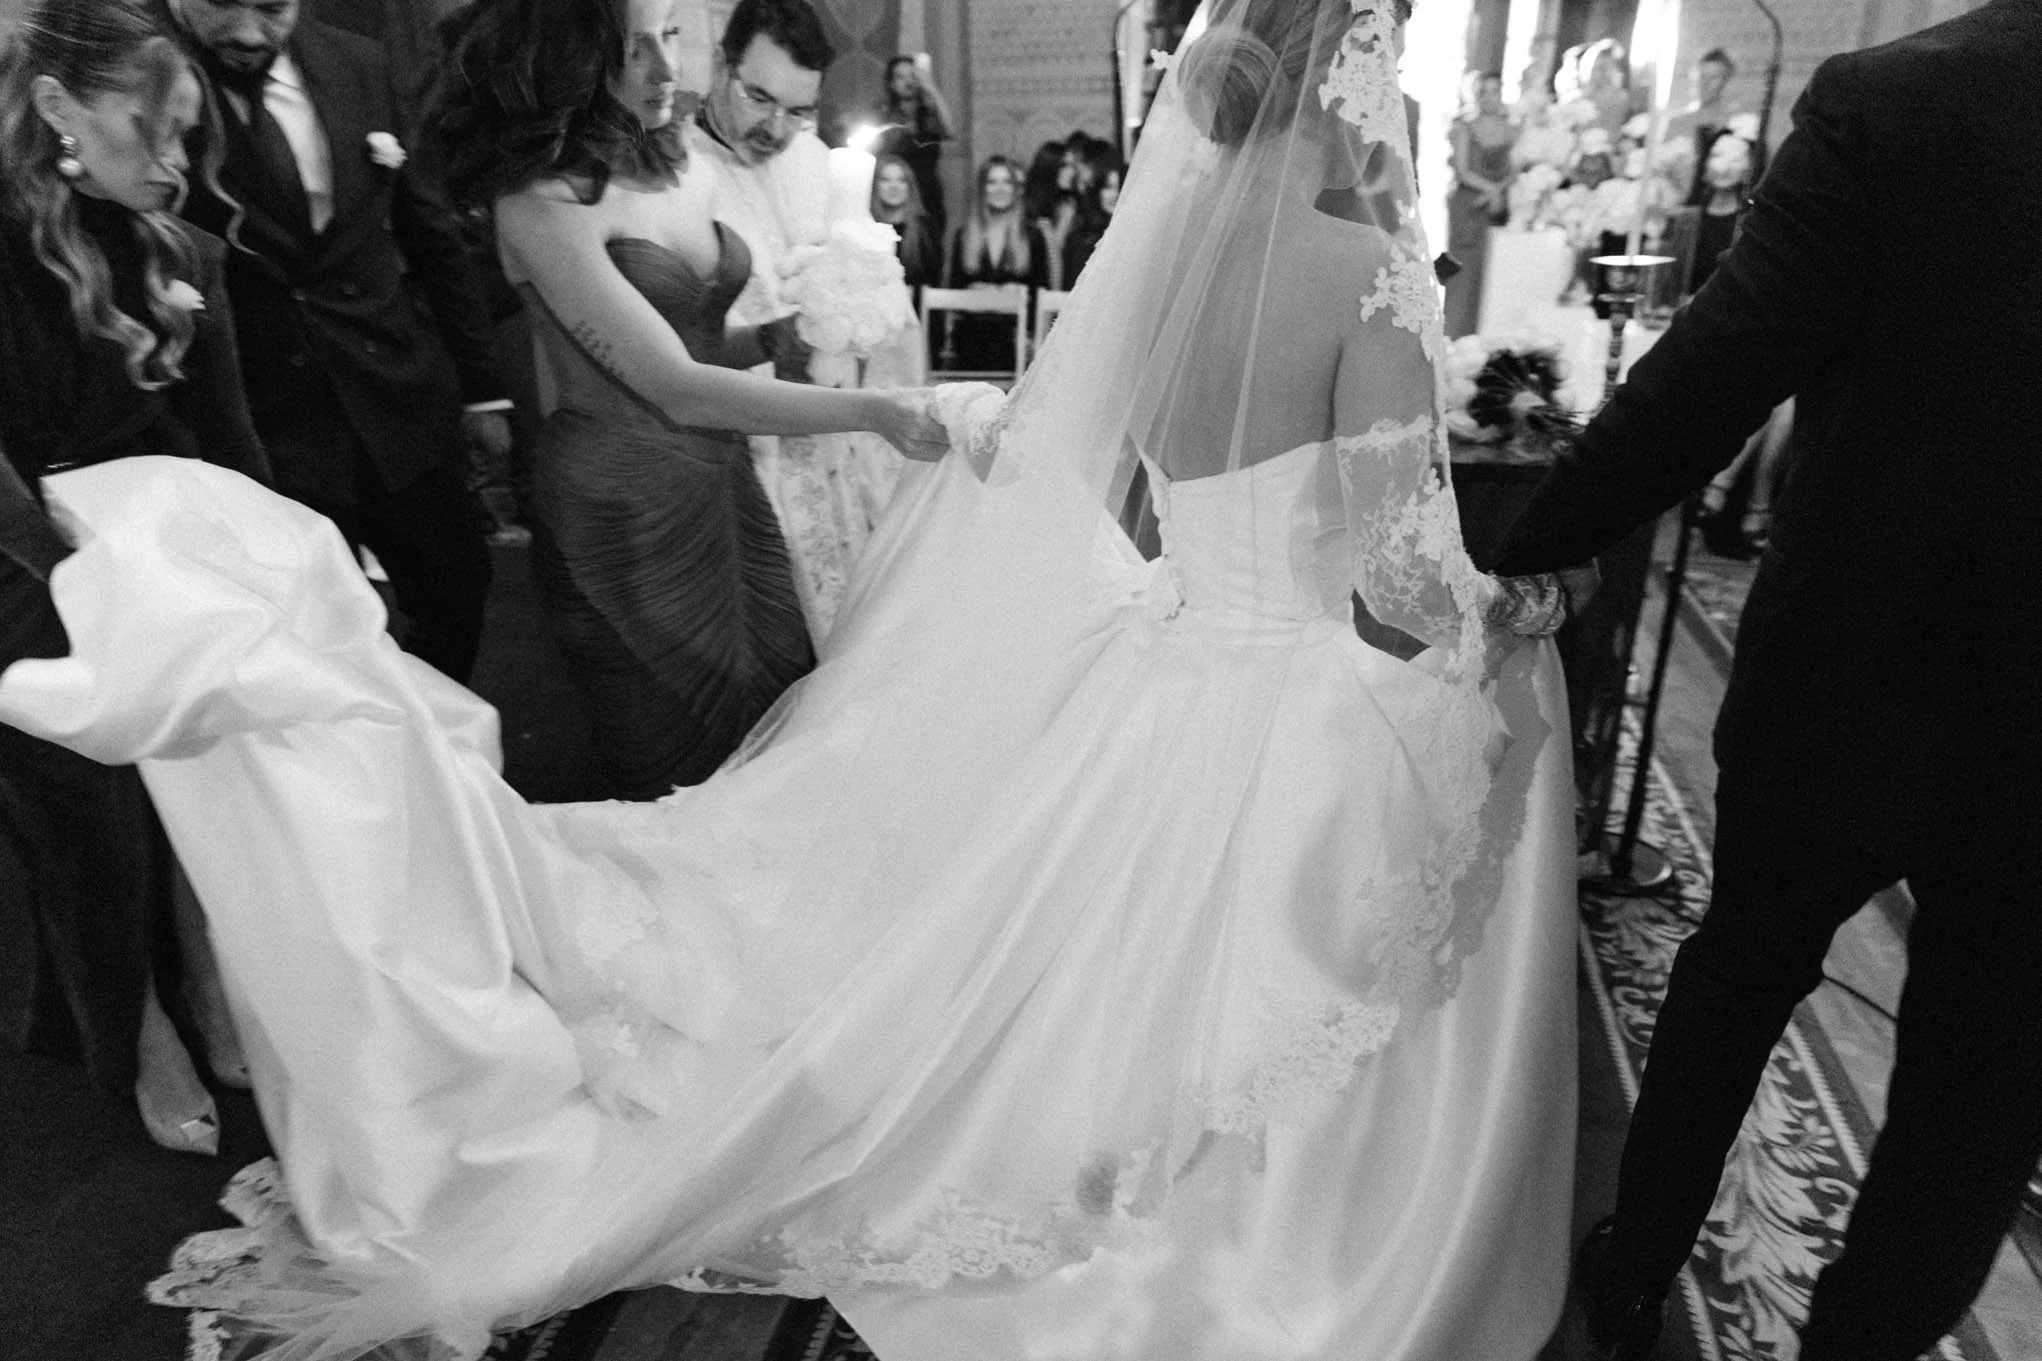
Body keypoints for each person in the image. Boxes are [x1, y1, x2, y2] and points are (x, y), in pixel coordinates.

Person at [7, 2, 1581, 1358]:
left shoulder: (1161, 265)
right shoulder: (1366, 267)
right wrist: (1524, 601)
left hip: (1173, 669)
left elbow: (1140, 491)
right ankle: (1294, 1217)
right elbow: (1398, 575)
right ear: (1357, 80)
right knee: (1453, 783)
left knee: (1094, 962)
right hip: (1268, 684)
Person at [1491, 3, 2042, 1358]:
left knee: (1738, 971)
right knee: (1984, 1077)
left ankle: (1635, 1269)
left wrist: (1523, 552)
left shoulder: (1901, 100)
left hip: (1855, 660)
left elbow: (1717, 371)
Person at [427, 0, 939, 801]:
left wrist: (787, 335)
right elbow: (675, 385)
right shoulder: (537, 203)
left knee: (780, 735)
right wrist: (879, 412)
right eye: (636, 49)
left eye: (670, 36)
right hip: (620, 511)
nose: (669, 70)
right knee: (674, 778)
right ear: (572, 57)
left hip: (724, 489)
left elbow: (700, 341)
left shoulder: (674, 165)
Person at [0, 0, 271, 1154]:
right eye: (145, 128)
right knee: (88, 793)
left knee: (230, 730)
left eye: (184, 132)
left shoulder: (183, 249)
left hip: (167, 544)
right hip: (20, 554)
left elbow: (230, 442)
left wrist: (284, 558)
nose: (172, 161)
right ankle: (141, 1027)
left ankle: (212, 968)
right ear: (58, 107)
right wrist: (77, 572)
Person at [152, 0, 508, 686]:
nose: (250, 32)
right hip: (260, 421)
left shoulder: (361, 62)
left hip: (396, 393)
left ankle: (434, 752)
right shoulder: (139, 73)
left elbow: (427, 228)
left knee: (458, 592)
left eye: (272, 7)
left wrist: (484, 386)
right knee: (314, 639)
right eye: (223, 5)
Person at [693, 0, 917, 643]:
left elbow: (869, 298)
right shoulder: (675, 173)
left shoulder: (816, 161)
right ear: (720, 66)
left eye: (797, 110)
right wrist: (776, 337)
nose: (776, 128)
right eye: (759, 98)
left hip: (832, 430)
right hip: (735, 442)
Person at [941, 154, 1046, 372]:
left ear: (1016, 189)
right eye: (992, 182)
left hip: (1016, 336)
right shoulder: (963, 235)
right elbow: (955, 291)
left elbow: (1040, 294)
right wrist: (994, 294)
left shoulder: (1033, 236)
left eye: (1007, 182)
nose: (1000, 188)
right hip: (971, 336)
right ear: (982, 189)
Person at [1443, 70, 1514, 338]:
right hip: (1467, 204)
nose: (1489, 97)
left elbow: (1515, 170)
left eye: (1494, 91)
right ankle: (1454, 334)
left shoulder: (1510, 128)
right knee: (1463, 270)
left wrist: (1498, 193)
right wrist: (1489, 190)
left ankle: (1482, 335)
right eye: (1483, 91)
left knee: (1491, 271)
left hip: (1495, 207)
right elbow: (1462, 170)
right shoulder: (1464, 127)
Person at [873, 53, 954, 236]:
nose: (907, 82)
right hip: (892, 198)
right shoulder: (884, 115)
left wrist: (930, 88)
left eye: (912, 76)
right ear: (892, 83)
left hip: (927, 199)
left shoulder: (929, 113)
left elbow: (949, 131)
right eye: (900, 77)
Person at [1662, 48, 1741, 206]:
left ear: (1726, 81)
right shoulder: (1678, 121)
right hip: (1674, 203)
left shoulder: (1734, 123)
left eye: (1713, 77)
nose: (1704, 83)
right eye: (1702, 76)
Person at [872, 151, 940, 286]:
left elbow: (932, 282)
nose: (894, 187)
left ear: (909, 186)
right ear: (875, 186)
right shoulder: (865, 227)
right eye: (885, 180)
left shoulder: (925, 230)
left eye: (901, 180)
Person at [1020, 137, 1078, 290]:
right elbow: (1050, 258)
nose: (1072, 172)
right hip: (1037, 289)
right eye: (1064, 166)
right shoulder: (1029, 206)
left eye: (1073, 165)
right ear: (1050, 167)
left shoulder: (1070, 204)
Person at [1059, 149, 1121, 286]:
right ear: (1098, 192)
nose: (1116, 194)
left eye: (1121, 187)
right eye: (1108, 187)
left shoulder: (1140, 235)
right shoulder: (1081, 240)